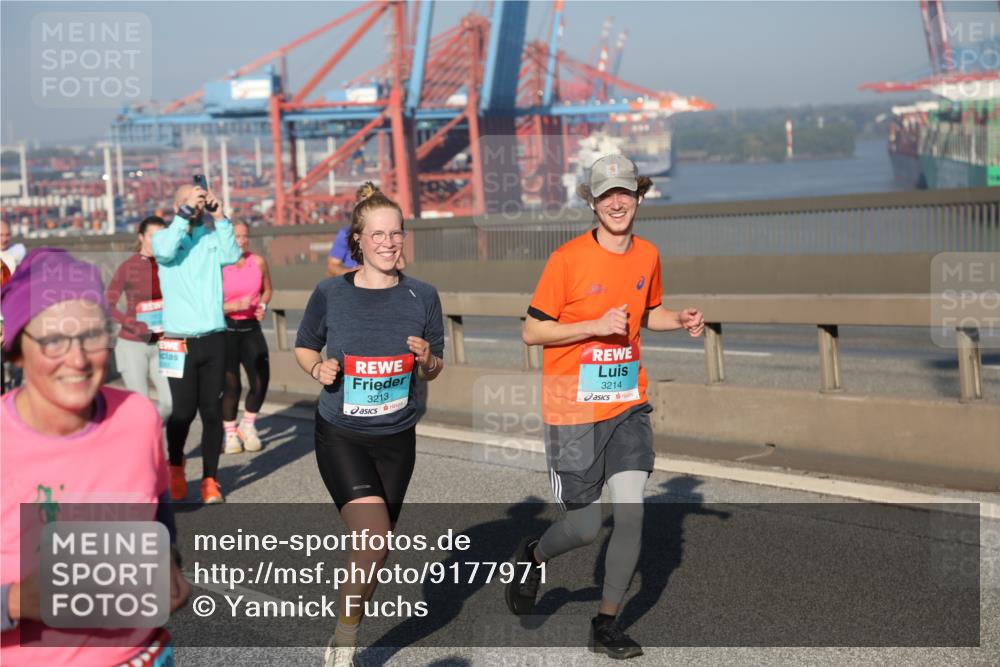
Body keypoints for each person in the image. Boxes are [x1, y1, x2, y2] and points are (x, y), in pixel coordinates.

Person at [505, 155, 705, 659]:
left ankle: (606, 624)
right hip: (572, 410)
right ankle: (533, 555)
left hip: (626, 404)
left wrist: (678, 319)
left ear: (639, 196)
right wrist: (593, 326)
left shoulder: (648, 255)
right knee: (586, 527)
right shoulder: (567, 260)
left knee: (632, 513)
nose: (617, 203)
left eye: (625, 192)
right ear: (592, 203)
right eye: (606, 194)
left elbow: (648, 312)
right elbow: (531, 331)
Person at [1, 248, 190, 665]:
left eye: (91, 335)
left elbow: (158, 516)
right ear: (16, 351)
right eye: (53, 340)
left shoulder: (137, 416)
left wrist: (169, 562)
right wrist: (13, 601)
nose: (78, 359)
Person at [294, 183, 444, 667]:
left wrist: (428, 360)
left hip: (397, 438)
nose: (388, 242)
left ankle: (348, 624)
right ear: (357, 239)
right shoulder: (330, 293)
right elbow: (304, 345)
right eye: (377, 234)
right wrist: (317, 369)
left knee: (376, 548)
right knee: (374, 534)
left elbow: (435, 366)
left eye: (395, 233)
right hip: (342, 434)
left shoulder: (423, 296)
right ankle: (346, 641)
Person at [152, 184, 240, 504]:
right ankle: (175, 466)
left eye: (200, 202)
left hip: (214, 337)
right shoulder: (163, 238)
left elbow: (232, 255)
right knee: (183, 412)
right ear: (177, 206)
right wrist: (186, 210)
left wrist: (221, 217)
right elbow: (164, 252)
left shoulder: (211, 237)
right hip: (178, 341)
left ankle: (210, 480)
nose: (197, 207)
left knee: (212, 411)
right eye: (190, 202)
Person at [106, 216, 172, 422]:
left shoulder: (170, 265)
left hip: (163, 342)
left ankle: (147, 431)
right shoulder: (129, 267)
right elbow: (107, 304)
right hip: (132, 344)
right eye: (152, 236)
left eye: (162, 237)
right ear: (141, 237)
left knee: (171, 403)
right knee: (141, 406)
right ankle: (144, 437)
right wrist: (132, 324)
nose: (157, 241)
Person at [221, 220, 272, 454]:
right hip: (225, 329)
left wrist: (263, 305)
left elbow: (267, 290)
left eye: (245, 236)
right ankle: (230, 433)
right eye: (236, 236)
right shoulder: (217, 264)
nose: (241, 241)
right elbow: (206, 303)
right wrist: (232, 306)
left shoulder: (258, 261)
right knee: (231, 385)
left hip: (251, 327)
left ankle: (247, 426)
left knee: (261, 379)